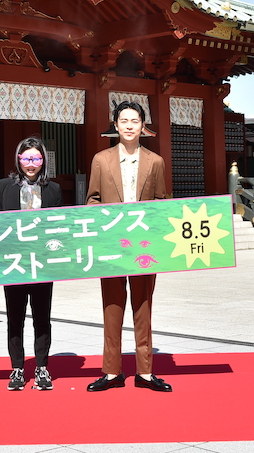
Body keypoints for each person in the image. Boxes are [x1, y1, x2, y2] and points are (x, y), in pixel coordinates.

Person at [85, 100, 172, 392]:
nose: (130, 126)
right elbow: (92, 199)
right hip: (112, 242)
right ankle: (112, 372)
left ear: (142, 125)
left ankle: (145, 372)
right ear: (116, 124)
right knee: (112, 306)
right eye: (124, 121)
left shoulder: (155, 161)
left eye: (135, 121)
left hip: (144, 244)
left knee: (143, 305)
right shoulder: (101, 159)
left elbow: (162, 201)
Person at [0, 136, 63, 391]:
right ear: (18, 160)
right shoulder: (4, 186)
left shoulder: (53, 190)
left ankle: (42, 368)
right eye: (26, 158)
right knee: (15, 318)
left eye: (35, 158)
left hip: (42, 263)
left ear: (43, 160)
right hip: (14, 263)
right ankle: (18, 369)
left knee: (42, 317)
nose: (30, 164)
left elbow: (58, 228)